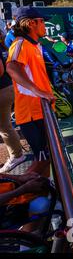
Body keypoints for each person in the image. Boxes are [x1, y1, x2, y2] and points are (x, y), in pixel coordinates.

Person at [6, 6, 56, 177]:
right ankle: (17, 189)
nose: (45, 25)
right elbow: (12, 68)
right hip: (30, 114)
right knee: (42, 158)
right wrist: (39, 91)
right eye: (42, 21)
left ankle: (46, 187)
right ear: (30, 23)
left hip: (41, 111)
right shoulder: (20, 44)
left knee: (48, 157)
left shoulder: (35, 45)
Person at [0, 42, 27, 173]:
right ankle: (17, 154)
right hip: (8, 88)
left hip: (3, 91)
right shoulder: (2, 45)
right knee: (5, 127)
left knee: (4, 127)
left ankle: (17, 155)